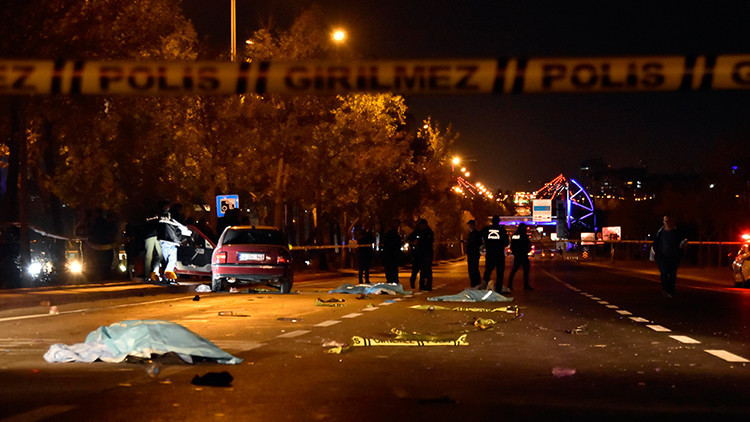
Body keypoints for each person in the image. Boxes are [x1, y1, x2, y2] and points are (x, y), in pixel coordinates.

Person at [652, 215, 688, 297]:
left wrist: (681, 247)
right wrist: (656, 254)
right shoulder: (660, 232)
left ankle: (671, 289)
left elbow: (683, 241)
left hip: (674, 257)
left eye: (669, 221)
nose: (667, 223)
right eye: (666, 221)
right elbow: (655, 243)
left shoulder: (677, 232)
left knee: (672, 273)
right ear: (663, 222)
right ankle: (665, 289)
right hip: (662, 257)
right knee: (664, 273)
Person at [155, 204, 192, 283]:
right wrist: (188, 232)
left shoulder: (161, 215)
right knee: (172, 259)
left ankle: (164, 277)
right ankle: (167, 274)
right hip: (171, 239)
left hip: (163, 239)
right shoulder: (175, 215)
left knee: (165, 259)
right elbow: (181, 225)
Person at [479, 215, 509, 292]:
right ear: (499, 221)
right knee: (500, 273)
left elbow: (480, 237)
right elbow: (506, 242)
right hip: (499, 254)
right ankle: (498, 289)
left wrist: (486, 244)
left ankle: (484, 287)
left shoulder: (486, 229)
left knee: (488, 271)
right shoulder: (502, 230)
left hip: (490, 254)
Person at [407, 219, 434, 291]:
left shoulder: (429, 232)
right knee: (415, 269)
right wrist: (413, 244)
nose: (422, 226)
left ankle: (424, 285)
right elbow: (409, 239)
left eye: (423, 225)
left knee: (425, 270)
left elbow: (429, 243)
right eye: (421, 225)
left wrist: (420, 242)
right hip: (417, 254)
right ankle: (413, 280)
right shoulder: (416, 232)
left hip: (426, 254)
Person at [508, 223, 533, 291]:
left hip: (518, 255)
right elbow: (527, 244)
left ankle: (510, 285)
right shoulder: (524, 236)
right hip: (522, 254)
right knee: (525, 270)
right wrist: (527, 250)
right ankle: (525, 285)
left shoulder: (515, 235)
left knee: (515, 270)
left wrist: (515, 252)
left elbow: (512, 245)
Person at [144, 201, 165, 280]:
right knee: (160, 255)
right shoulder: (158, 214)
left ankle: (149, 275)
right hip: (155, 235)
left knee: (149, 256)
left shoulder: (147, 214)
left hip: (150, 235)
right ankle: (162, 274)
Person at [381, 218, 402, 284]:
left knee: (392, 268)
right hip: (390, 253)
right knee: (391, 268)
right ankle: (392, 280)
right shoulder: (392, 232)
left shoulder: (394, 232)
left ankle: (392, 279)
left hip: (392, 254)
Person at [464, 219, 483, 288]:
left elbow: (477, 243)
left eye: (470, 225)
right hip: (471, 253)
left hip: (474, 253)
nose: (469, 227)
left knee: (474, 269)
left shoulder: (476, 234)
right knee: (472, 269)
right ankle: (474, 283)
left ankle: (476, 283)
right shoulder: (471, 234)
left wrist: (470, 244)